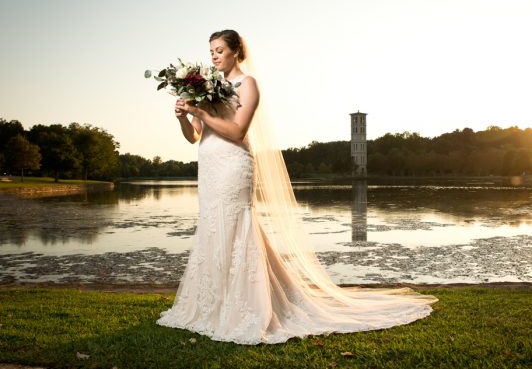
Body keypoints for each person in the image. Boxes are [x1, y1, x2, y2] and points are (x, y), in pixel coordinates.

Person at [156, 29, 438, 345]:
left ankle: (247, 308)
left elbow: (237, 131)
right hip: (209, 167)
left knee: (236, 227)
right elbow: (194, 135)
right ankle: (211, 307)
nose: (214, 56)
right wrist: (184, 116)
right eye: (211, 51)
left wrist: (200, 112)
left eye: (219, 50)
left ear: (236, 51)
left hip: (234, 165)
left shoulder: (247, 85)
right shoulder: (206, 87)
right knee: (212, 228)